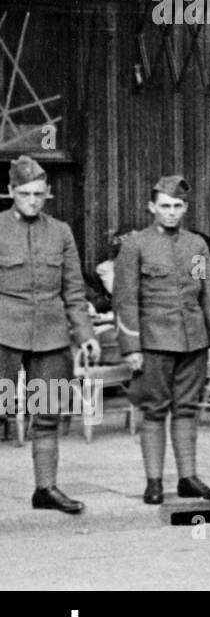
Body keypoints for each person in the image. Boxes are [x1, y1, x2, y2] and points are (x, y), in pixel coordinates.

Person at [115, 174, 210, 505]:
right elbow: (125, 299)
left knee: (187, 410)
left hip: (192, 341)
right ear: (152, 207)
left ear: (186, 208)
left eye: (178, 206)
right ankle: (154, 481)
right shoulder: (135, 245)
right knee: (154, 411)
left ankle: (188, 478)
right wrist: (131, 347)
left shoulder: (196, 246)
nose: (172, 212)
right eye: (165, 206)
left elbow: (206, 293)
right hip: (153, 341)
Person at [0, 156, 100, 515]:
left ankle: (46, 488)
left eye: (39, 194)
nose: (32, 200)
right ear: (11, 191)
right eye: (24, 193)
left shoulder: (61, 232)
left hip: (51, 335)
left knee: (47, 413)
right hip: (4, 334)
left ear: (48, 194)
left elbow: (74, 290)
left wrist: (85, 333)